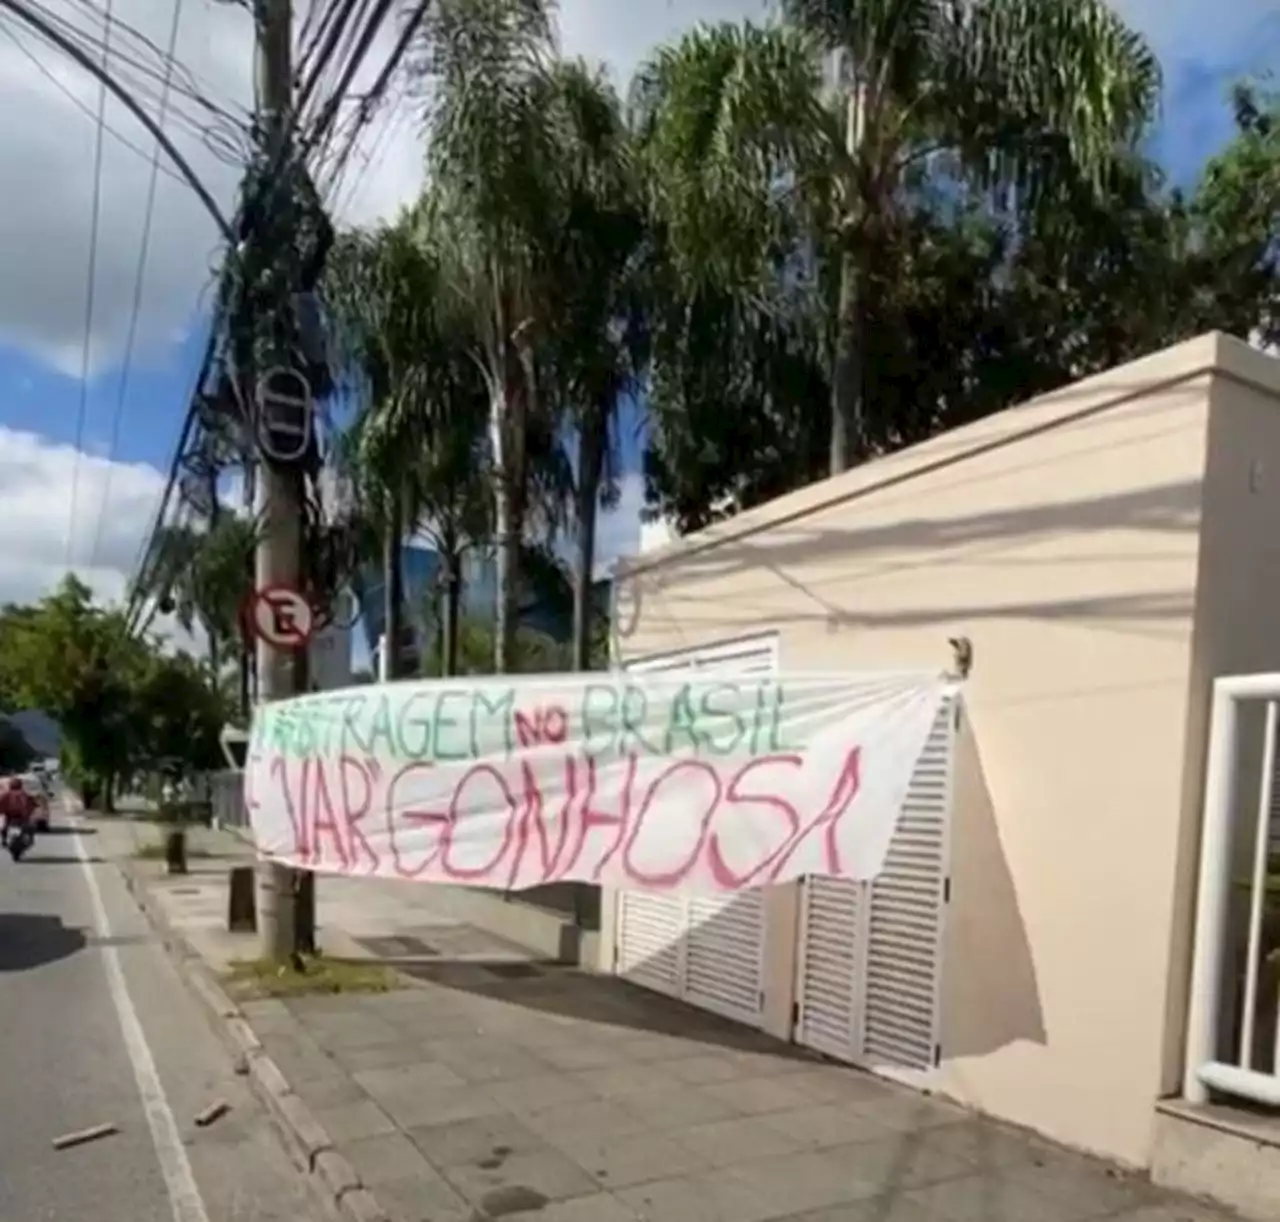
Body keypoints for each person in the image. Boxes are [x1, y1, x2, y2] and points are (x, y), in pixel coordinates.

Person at [0, 775, 34, 849]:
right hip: (20, 815)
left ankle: (4, 841)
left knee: (3, 828)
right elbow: (30, 803)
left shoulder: (6, 794)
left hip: (10, 815)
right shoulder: (24, 794)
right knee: (30, 827)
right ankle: (30, 840)